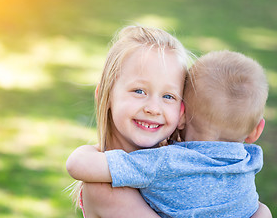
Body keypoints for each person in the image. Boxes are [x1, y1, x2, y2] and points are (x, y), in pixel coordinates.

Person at [66, 50, 272, 217]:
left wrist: (91, 150)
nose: (154, 108)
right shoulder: (248, 165)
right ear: (256, 131)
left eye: (168, 96)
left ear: (182, 115)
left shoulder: (164, 163)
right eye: (139, 91)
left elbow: (77, 165)